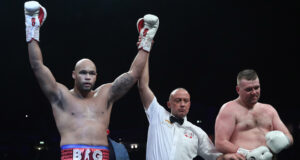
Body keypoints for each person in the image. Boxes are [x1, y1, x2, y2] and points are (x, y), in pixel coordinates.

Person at [24, 1, 159, 159]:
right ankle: (32, 23)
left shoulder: (106, 95)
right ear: (74, 74)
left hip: (102, 155)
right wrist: (32, 33)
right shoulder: (61, 96)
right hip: (71, 154)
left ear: (96, 76)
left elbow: (133, 74)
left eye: (91, 73)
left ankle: (146, 33)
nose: (87, 77)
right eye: (83, 73)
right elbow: (37, 66)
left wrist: (146, 43)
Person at [137, 57, 245, 159]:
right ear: (169, 104)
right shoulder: (158, 115)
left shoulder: (197, 132)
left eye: (186, 101)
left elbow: (215, 157)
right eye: (178, 100)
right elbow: (143, 86)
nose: (182, 104)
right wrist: (146, 49)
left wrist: (228, 157)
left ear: (189, 105)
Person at [214, 69, 294, 160]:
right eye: (248, 89)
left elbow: (289, 136)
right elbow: (220, 143)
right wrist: (249, 154)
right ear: (238, 89)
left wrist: (284, 141)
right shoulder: (229, 109)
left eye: (256, 88)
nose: (254, 92)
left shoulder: (269, 109)